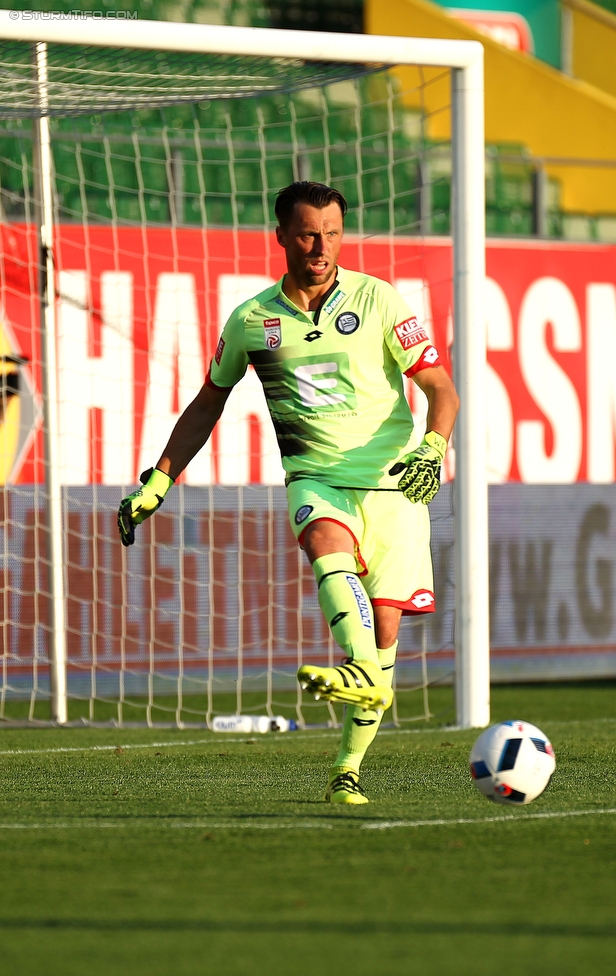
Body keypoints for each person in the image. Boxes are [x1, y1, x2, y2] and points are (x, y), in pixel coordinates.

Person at [117, 181, 459, 805]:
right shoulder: (252, 320)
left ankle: (348, 766)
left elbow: (441, 387)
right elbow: (207, 404)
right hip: (317, 478)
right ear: (280, 236)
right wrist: (159, 479)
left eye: (332, 233)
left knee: (385, 628)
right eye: (308, 233)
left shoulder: (378, 300)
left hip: (396, 486)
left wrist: (435, 444)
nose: (321, 246)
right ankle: (360, 675)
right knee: (324, 544)